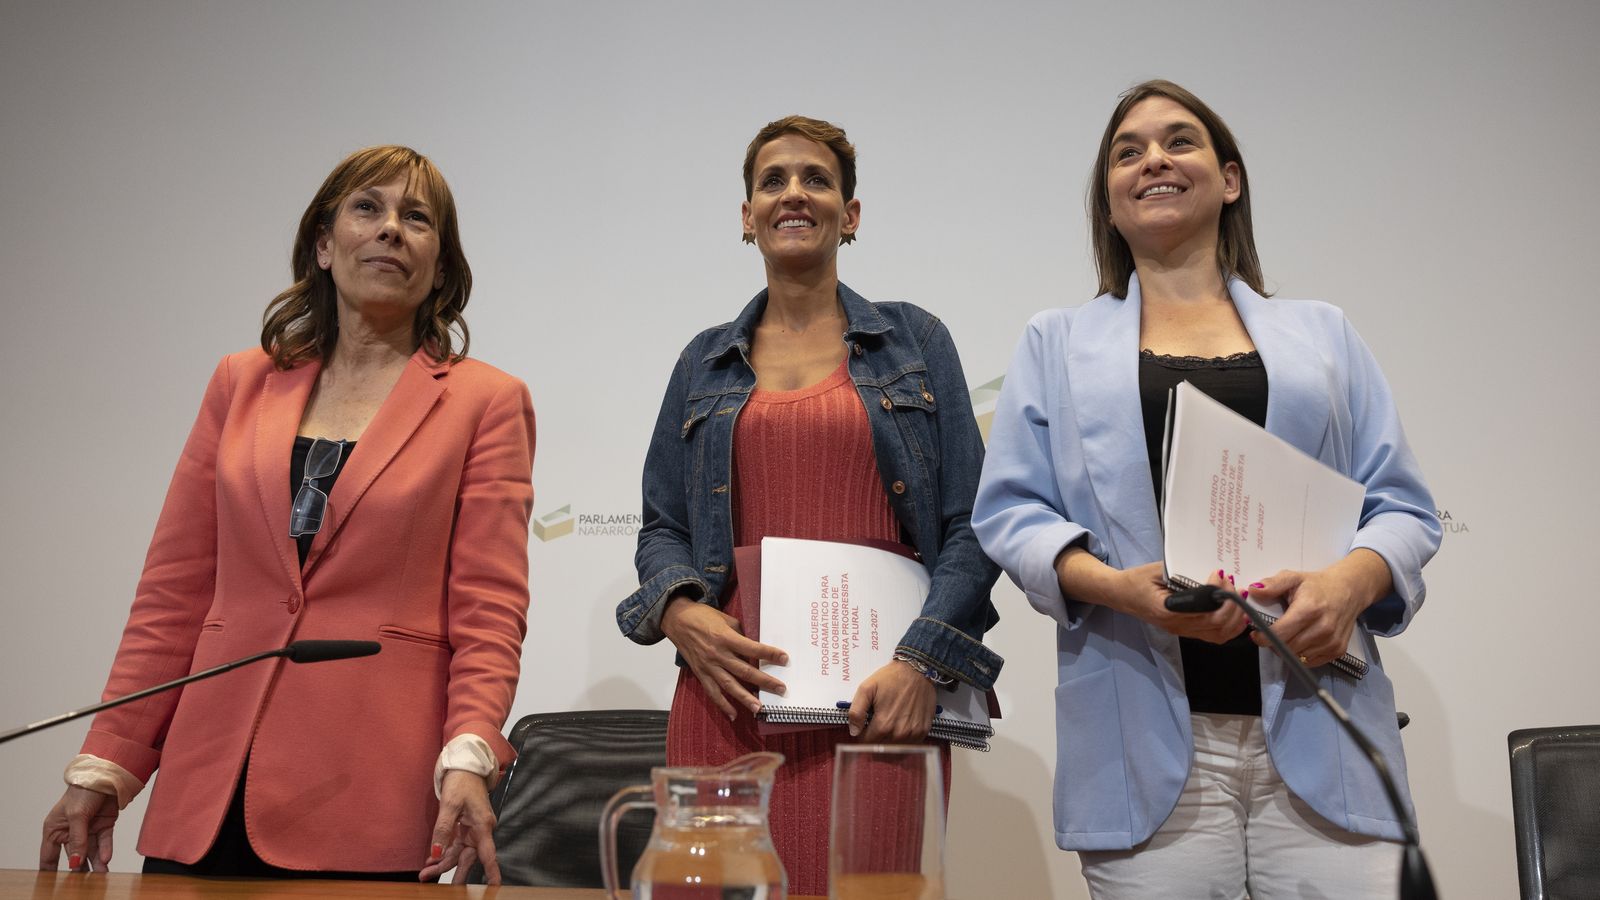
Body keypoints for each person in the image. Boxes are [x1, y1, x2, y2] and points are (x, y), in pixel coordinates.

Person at [972, 81, 1441, 898]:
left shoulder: (1324, 333)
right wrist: (1116, 587)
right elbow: (1011, 513)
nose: (1153, 159)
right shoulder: (1056, 343)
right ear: (1110, 202)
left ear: (1229, 180)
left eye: (1179, 141)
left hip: (1322, 722)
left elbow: (1401, 504)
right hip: (1144, 743)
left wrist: (1347, 585)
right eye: (1128, 152)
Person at [37, 146, 535, 884]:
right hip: (208, 788)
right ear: (324, 246)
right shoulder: (239, 382)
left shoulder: (486, 402)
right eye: (367, 208)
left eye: (417, 218)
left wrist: (470, 749)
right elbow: (173, 593)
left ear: (440, 267)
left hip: (368, 788)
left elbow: (488, 610)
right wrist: (107, 760)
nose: (391, 228)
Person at [616, 115, 1003, 894]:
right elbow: (663, 528)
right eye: (773, 181)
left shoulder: (916, 340)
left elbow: (972, 524)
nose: (793, 193)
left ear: (849, 214)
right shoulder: (702, 361)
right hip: (727, 697)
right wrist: (679, 613)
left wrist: (920, 662)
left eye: (816, 180)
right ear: (748, 215)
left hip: (881, 704)